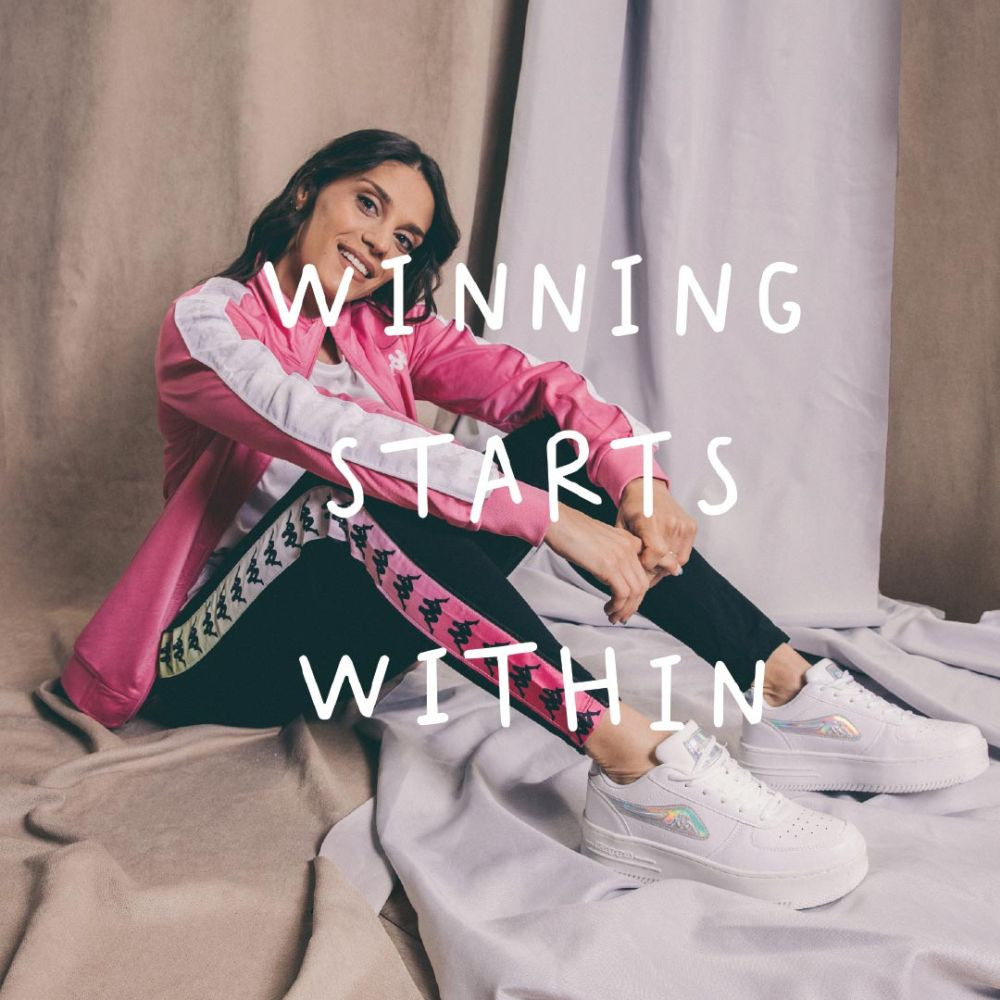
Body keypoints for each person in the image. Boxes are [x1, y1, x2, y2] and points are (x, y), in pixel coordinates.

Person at [61, 129, 988, 911]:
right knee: (352, 490)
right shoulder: (211, 323)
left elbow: (538, 386)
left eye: (404, 235)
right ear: (309, 193)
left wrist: (635, 480)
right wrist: (548, 523)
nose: (379, 242)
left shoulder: (386, 333)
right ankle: (635, 768)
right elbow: (333, 436)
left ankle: (785, 690)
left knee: (557, 444)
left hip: (348, 642)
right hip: (213, 655)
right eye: (367, 204)